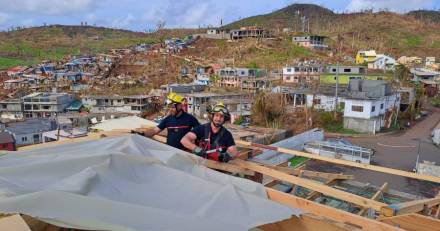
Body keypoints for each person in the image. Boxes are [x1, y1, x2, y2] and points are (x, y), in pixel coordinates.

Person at [135, 92, 200, 150]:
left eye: (172, 107)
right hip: (170, 151)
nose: (170, 109)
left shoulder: (190, 118)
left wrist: (195, 145)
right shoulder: (168, 119)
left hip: (184, 153)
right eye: (169, 107)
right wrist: (142, 134)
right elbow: (155, 130)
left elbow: (200, 132)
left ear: (179, 106)